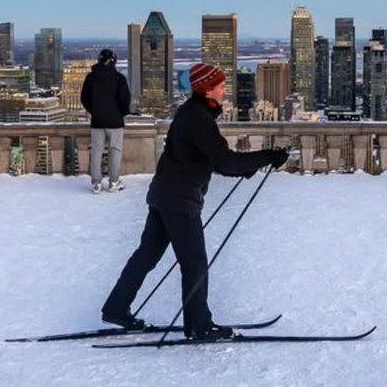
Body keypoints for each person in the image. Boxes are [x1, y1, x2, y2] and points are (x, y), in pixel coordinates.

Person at [100, 63, 289, 340]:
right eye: (221, 85)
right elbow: (225, 160)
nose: (225, 90)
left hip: (165, 195)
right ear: (207, 89)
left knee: (146, 256)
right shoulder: (199, 118)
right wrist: (267, 156)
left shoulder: (192, 114)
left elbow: (210, 159)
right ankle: (199, 325)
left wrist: (247, 166)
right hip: (180, 201)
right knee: (195, 264)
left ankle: (116, 308)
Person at [80, 49, 132, 194]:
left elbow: (84, 99)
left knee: (96, 151)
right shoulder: (119, 78)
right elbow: (125, 100)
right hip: (115, 121)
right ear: (114, 61)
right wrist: (121, 113)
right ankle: (114, 182)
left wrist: (94, 110)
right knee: (115, 151)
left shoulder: (91, 78)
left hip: (97, 120)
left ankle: (96, 183)